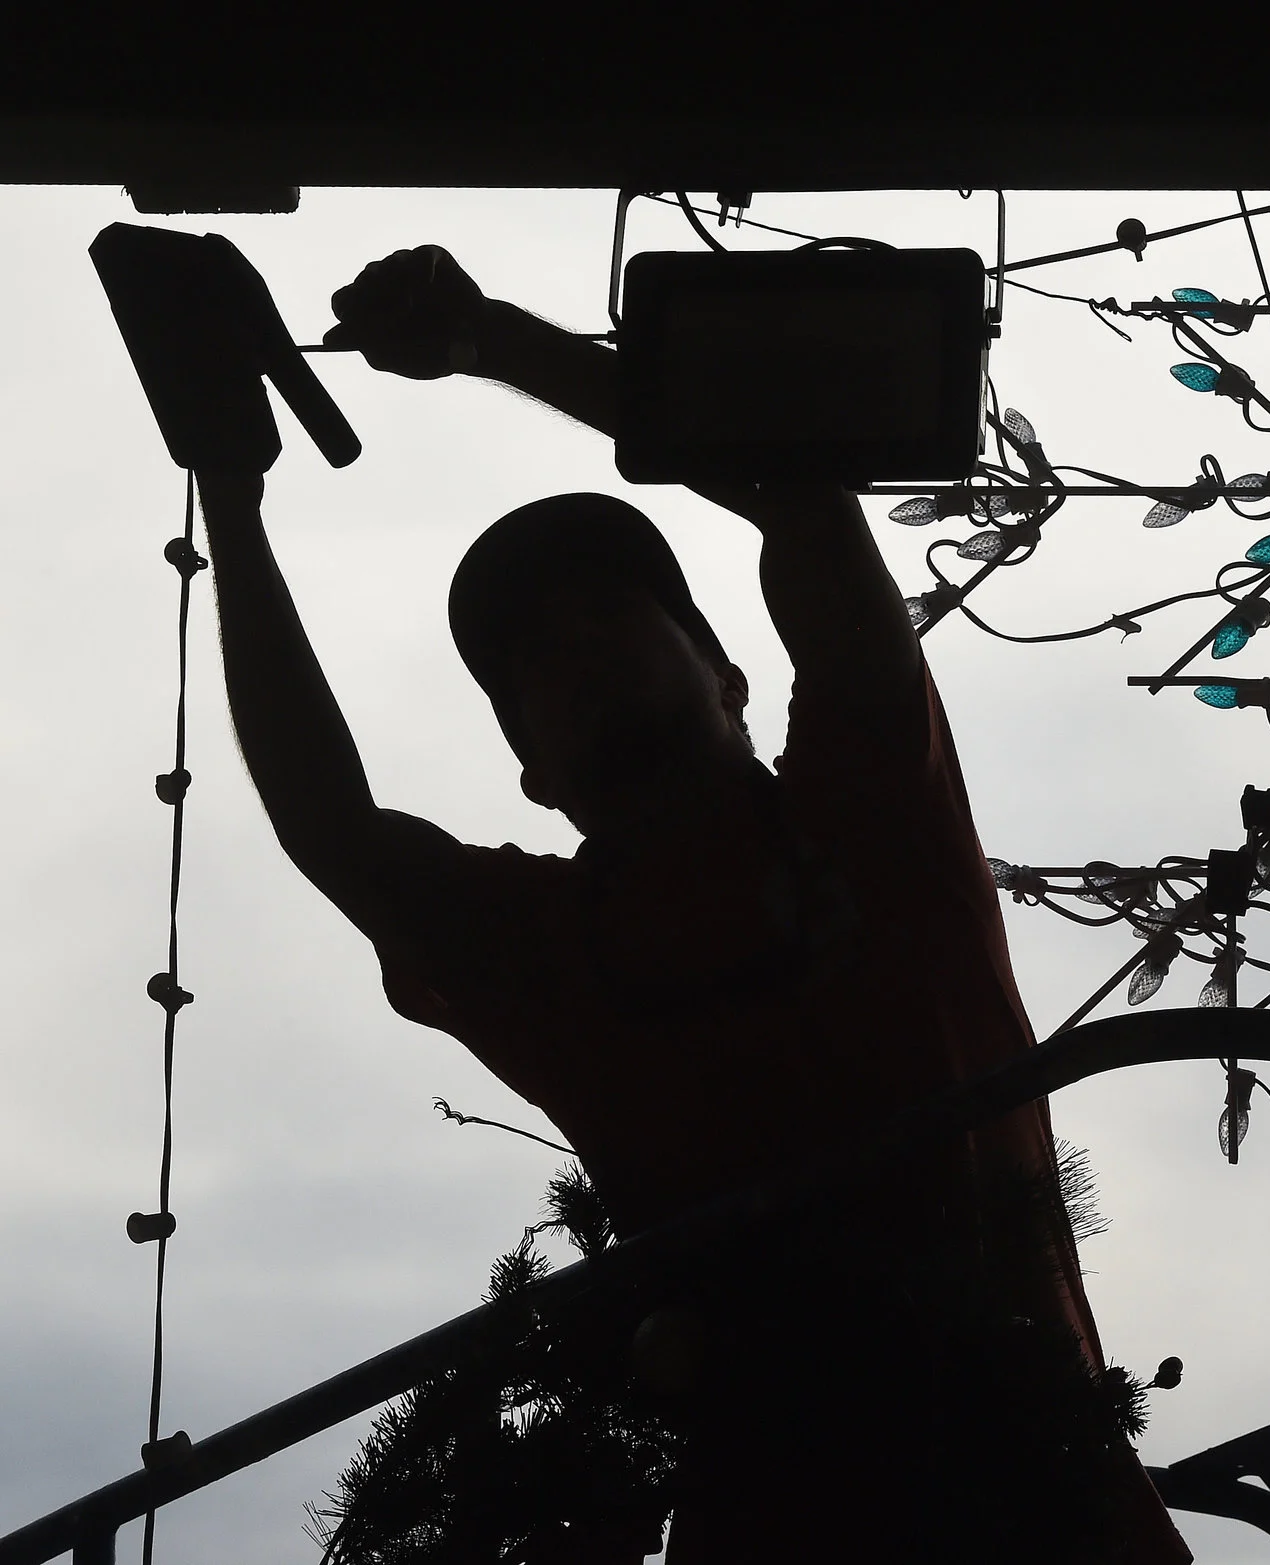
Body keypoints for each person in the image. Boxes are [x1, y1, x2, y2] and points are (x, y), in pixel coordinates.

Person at [192, 246, 1191, 1564]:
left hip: (1038, 1511)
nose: (579, 648)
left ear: (729, 672)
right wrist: (232, 495)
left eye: (611, 609)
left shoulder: (873, 806)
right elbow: (333, 829)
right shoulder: (544, 953)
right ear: (532, 771)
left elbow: (801, 504)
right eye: (532, 661)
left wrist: (496, 340)